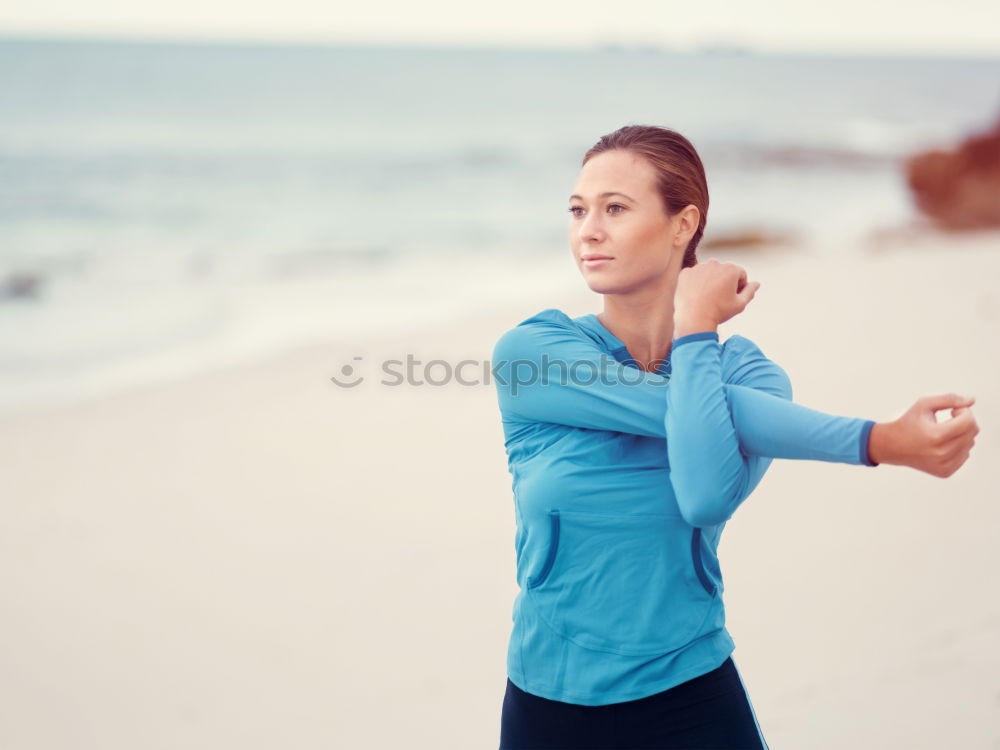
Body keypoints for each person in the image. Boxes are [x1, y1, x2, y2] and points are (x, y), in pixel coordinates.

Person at [490, 124, 979, 750]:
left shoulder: (748, 372)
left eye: (615, 208)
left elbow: (704, 497)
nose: (588, 230)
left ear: (682, 224)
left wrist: (694, 333)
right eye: (578, 209)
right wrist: (879, 440)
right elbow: (693, 414)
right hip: (547, 702)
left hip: (690, 694)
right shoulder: (534, 354)